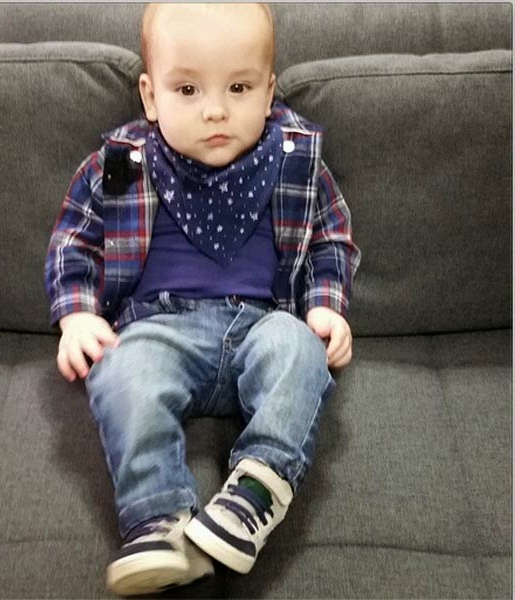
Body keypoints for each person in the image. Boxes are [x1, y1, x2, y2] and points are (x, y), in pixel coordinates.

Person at [44, 3, 361, 596]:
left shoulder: (296, 160)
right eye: (187, 89)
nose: (215, 110)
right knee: (121, 370)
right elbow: (74, 242)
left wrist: (325, 305)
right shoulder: (121, 164)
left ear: (269, 91)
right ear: (150, 96)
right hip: (158, 327)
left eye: (239, 87)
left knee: (300, 350)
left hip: (263, 323)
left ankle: (255, 492)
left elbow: (331, 238)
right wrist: (77, 315)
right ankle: (158, 520)